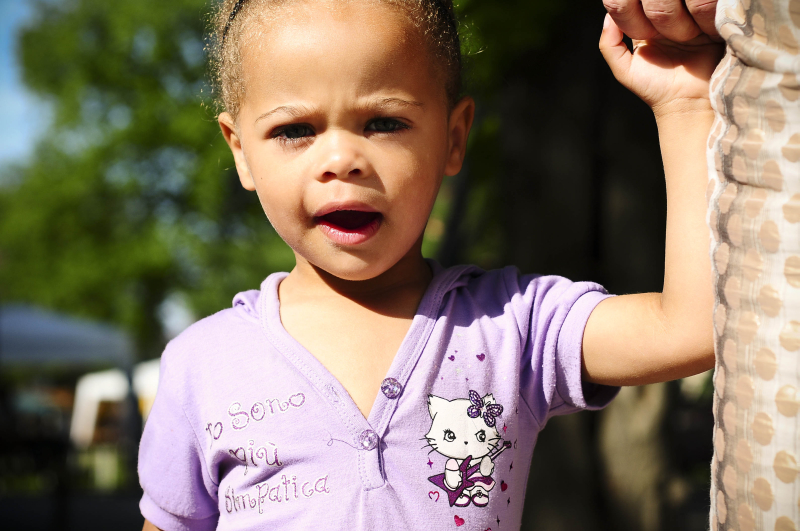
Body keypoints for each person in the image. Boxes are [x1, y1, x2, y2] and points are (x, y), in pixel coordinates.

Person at [139, 0, 723, 529]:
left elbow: (693, 329)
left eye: (384, 122)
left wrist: (687, 106)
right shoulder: (201, 364)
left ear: (454, 137)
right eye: (294, 130)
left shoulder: (513, 326)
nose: (341, 159)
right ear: (241, 151)